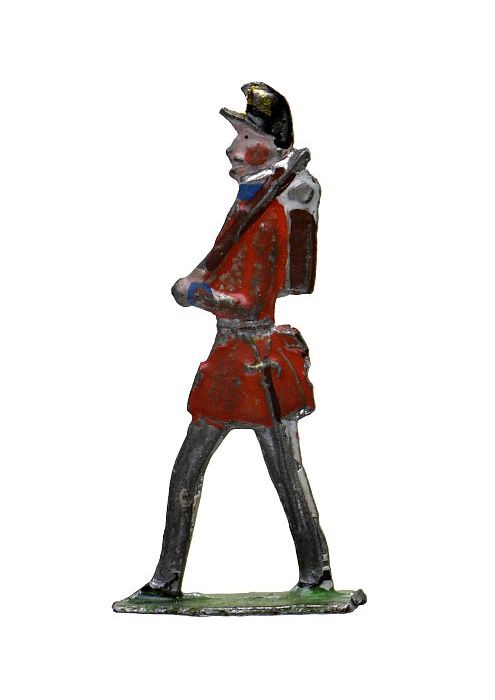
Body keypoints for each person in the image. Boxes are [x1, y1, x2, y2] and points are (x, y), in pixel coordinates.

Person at [139, 82, 333, 597]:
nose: (234, 148)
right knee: (255, 471)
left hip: (251, 359)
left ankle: (311, 574)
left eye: (247, 137)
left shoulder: (268, 218)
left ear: (271, 147)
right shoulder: (249, 205)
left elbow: (250, 301)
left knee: (262, 472)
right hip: (235, 357)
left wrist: (198, 294)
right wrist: (201, 280)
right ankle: (170, 578)